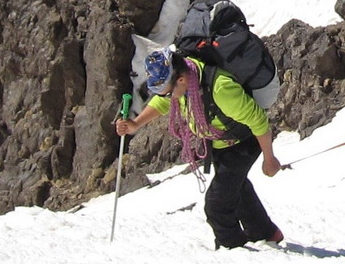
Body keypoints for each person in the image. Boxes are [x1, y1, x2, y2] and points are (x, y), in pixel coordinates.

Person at [116, 48, 284, 249]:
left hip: (243, 143)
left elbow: (258, 121)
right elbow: (162, 102)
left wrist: (269, 159)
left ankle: (232, 248)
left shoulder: (221, 89)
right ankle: (266, 233)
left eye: (169, 93)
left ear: (180, 80)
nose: (169, 98)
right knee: (236, 188)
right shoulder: (188, 76)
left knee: (216, 205)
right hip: (220, 143)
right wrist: (135, 124)